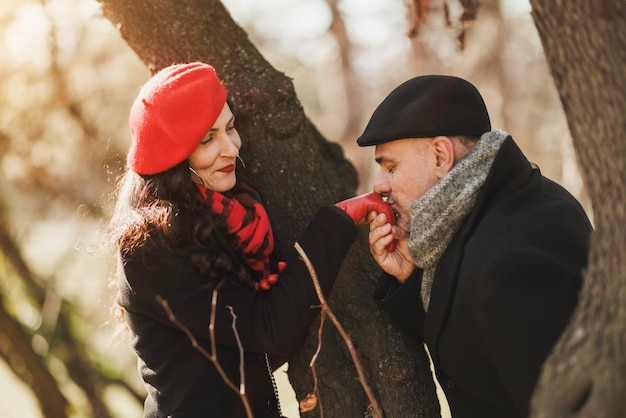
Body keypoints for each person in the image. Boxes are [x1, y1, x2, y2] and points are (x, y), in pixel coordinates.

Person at [106, 62, 393, 418]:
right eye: (207, 139)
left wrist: (278, 293)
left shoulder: (232, 216)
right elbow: (272, 333)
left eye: (230, 128)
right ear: (174, 159)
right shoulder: (151, 247)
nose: (231, 148)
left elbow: (251, 350)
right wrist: (337, 221)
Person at [356, 75, 592, 417]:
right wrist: (412, 280)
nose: (379, 185)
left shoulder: (518, 250)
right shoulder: (476, 215)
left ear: (440, 155)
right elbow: (474, 346)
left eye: (391, 166)